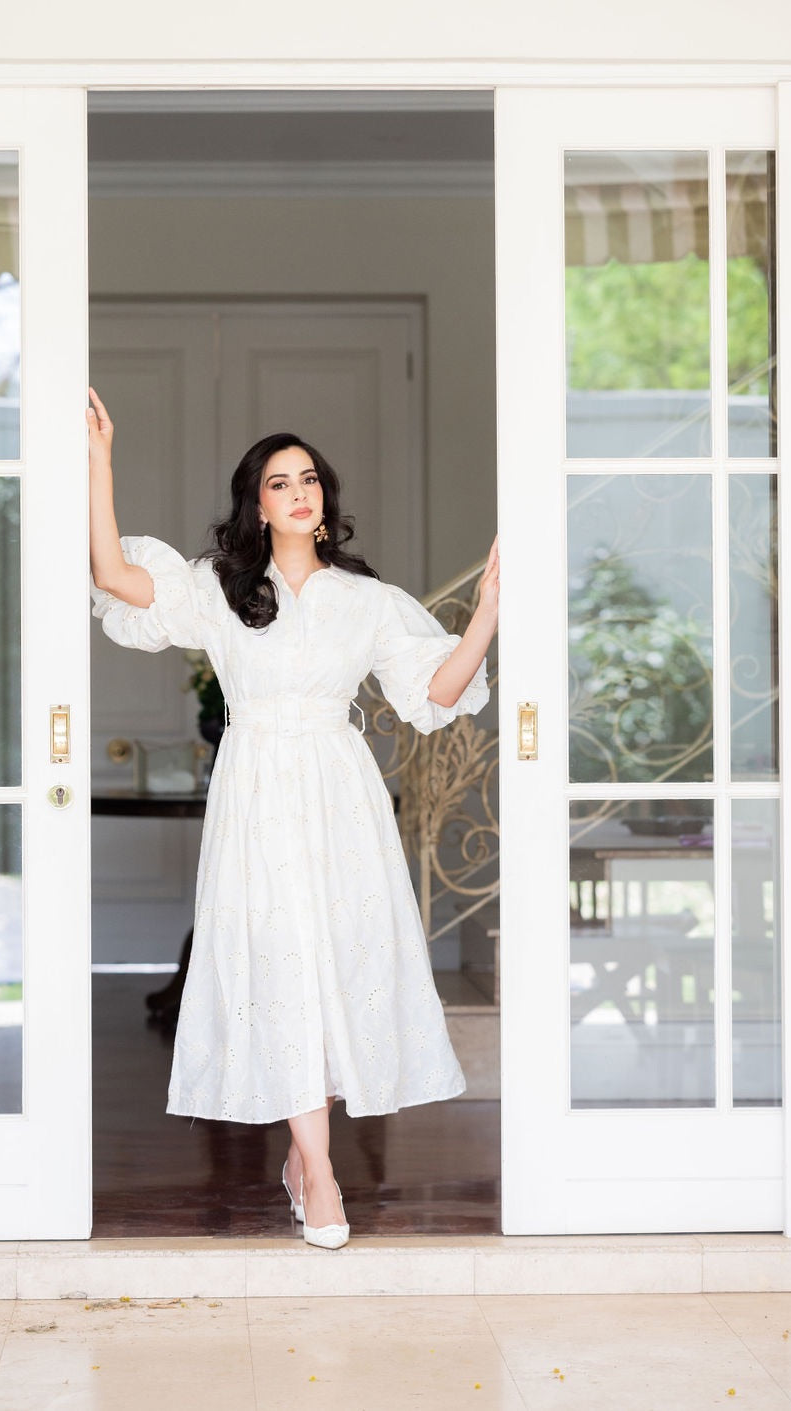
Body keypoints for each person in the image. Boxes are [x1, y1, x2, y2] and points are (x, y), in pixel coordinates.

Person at [87, 387, 499, 1249]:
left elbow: (434, 690)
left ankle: (305, 1160)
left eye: (308, 478)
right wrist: (100, 462)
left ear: (324, 495)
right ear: (258, 504)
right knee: (282, 967)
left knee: (335, 965)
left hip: (340, 794)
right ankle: (320, 1171)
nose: (298, 492)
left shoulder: (367, 599)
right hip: (256, 792)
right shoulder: (219, 588)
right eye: (279, 482)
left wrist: (488, 617)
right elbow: (117, 578)